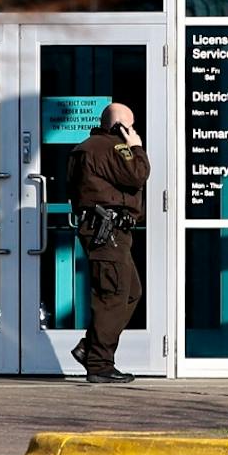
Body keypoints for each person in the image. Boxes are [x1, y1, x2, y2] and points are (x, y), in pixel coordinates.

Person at [66, 101, 150, 384]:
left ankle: (89, 348)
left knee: (129, 292)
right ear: (121, 126)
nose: (134, 130)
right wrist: (136, 146)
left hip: (105, 231)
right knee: (112, 295)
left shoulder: (86, 147)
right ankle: (100, 364)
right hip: (108, 231)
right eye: (131, 125)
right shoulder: (114, 148)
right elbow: (138, 174)